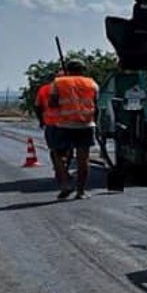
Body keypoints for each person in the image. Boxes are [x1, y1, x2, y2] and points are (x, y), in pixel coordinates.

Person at [45, 58, 100, 199]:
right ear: (83, 70)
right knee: (83, 159)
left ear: (67, 70)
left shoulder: (58, 82)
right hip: (86, 124)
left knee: (58, 154)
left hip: (65, 124)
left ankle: (65, 183)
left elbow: (52, 103)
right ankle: (81, 192)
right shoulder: (92, 83)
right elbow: (96, 105)